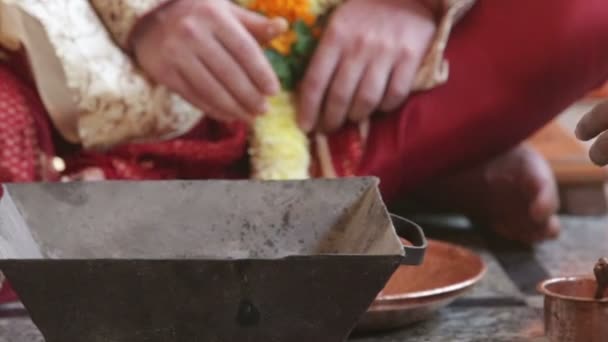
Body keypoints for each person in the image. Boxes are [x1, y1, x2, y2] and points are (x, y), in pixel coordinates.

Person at [0, 0, 608, 247]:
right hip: (111, 71)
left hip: (370, 70)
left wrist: (412, 3)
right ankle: (416, 177)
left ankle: (410, 169)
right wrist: (149, 13)